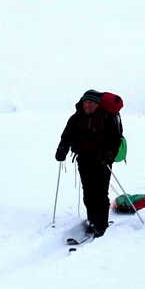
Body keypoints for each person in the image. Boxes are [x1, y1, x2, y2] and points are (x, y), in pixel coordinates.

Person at [55, 89, 123, 237]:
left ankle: (101, 224)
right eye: (85, 102)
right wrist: (62, 149)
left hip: (102, 161)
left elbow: (115, 140)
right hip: (84, 159)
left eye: (90, 102)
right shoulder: (76, 118)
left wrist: (108, 155)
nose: (87, 105)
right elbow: (66, 136)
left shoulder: (107, 117)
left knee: (100, 192)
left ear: (97, 104)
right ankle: (92, 220)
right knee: (88, 192)